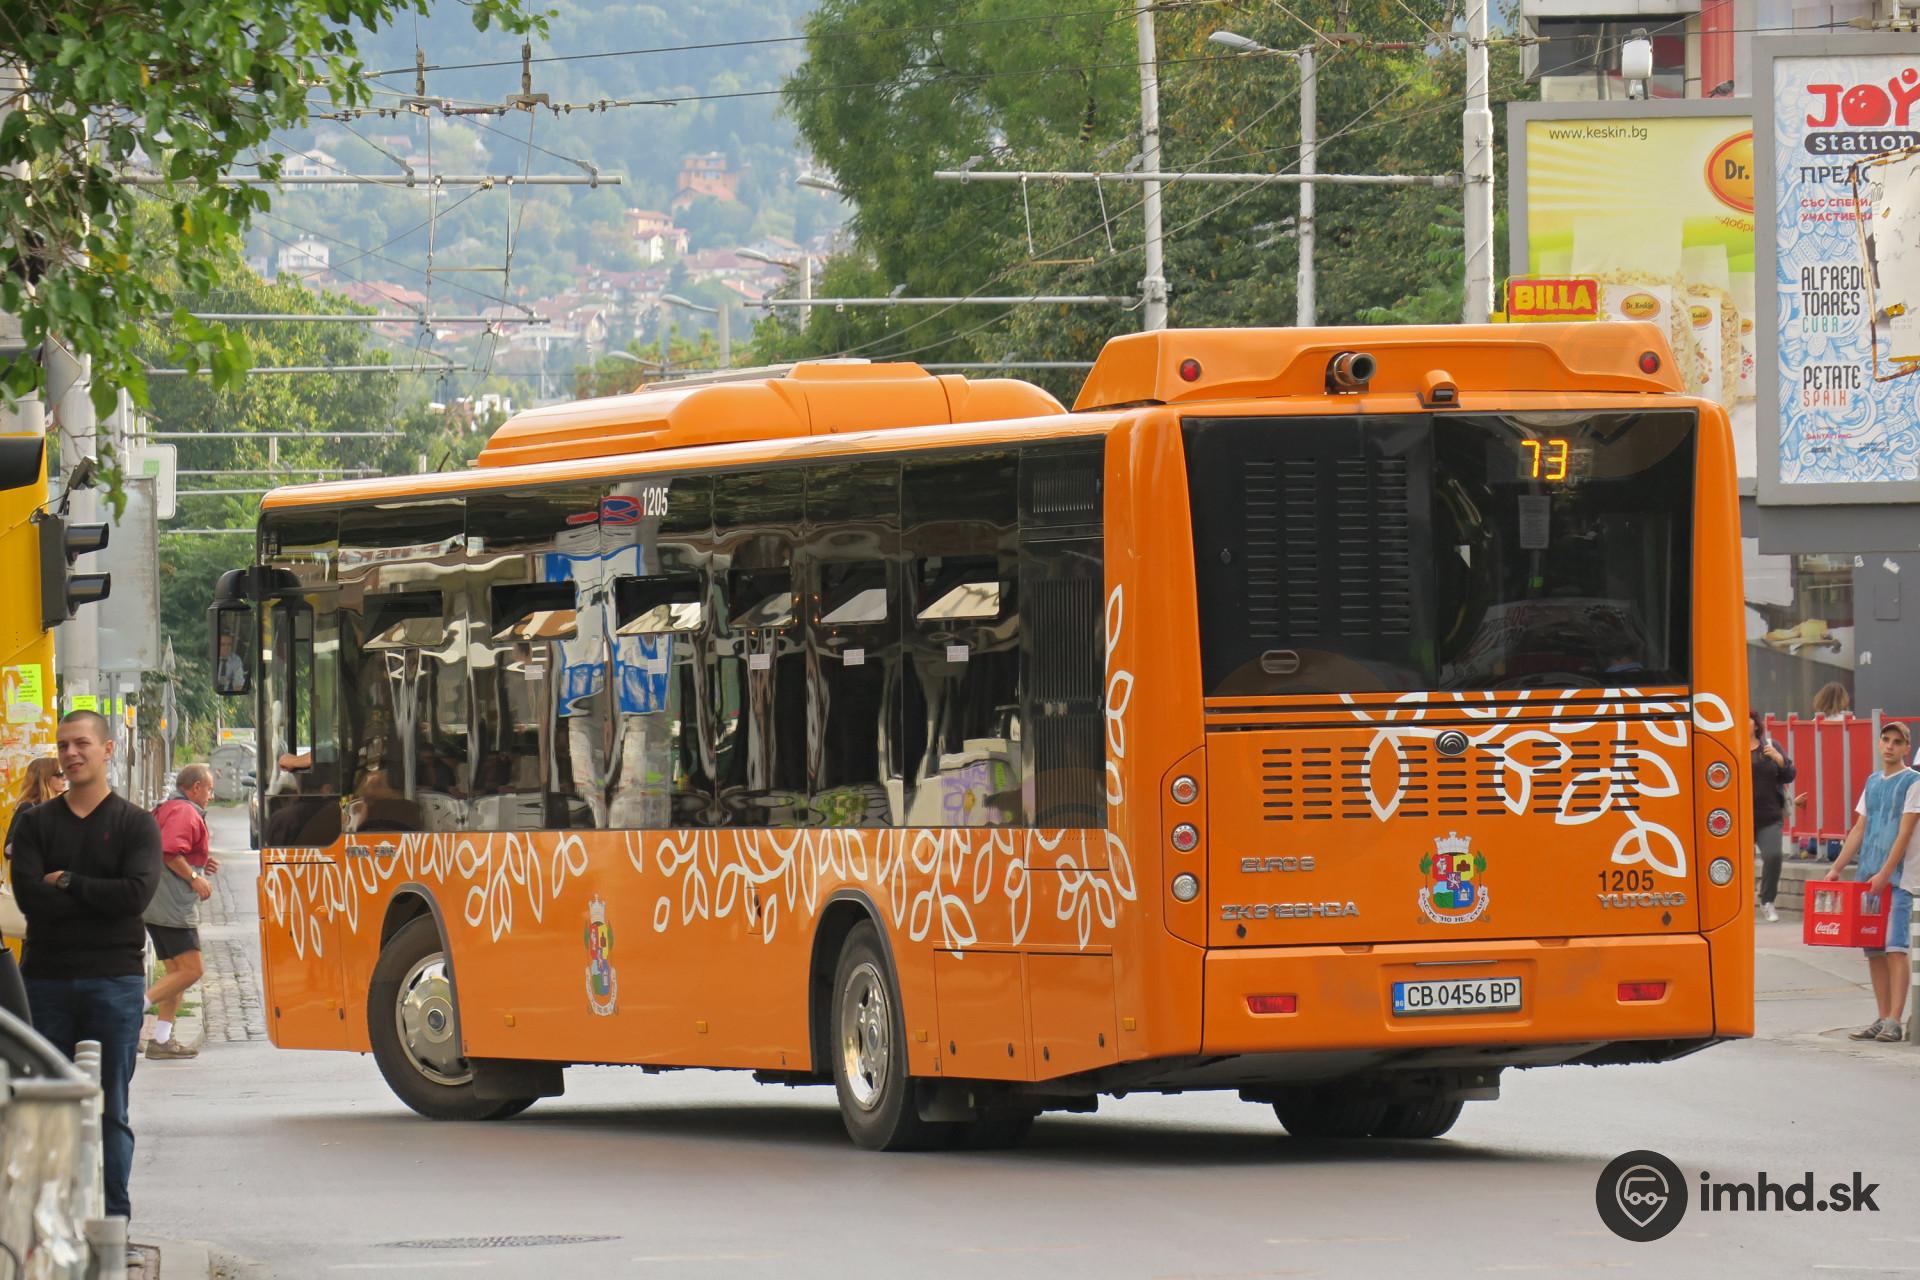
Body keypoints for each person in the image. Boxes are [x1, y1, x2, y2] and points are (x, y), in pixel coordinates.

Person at [8, 710, 161, 1221]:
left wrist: (70, 882)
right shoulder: (35, 824)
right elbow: (30, 899)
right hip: (45, 980)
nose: (70, 754)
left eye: (81, 744)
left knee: (111, 1106)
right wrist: (101, 899)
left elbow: (135, 896)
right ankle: (54, 1223)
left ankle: (112, 1225)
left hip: (115, 982)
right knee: (47, 1108)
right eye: (63, 746)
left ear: (107, 749)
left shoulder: (135, 824)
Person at [1824, 720, 1920, 1043]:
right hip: (1869, 877)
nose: (1890, 745)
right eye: (1886, 739)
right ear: (1879, 743)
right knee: (1874, 949)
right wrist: (1837, 868)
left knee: (1895, 947)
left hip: (1899, 879)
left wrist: (1885, 873)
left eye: (1897, 741)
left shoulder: (1913, 782)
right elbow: (1859, 829)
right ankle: (1881, 1016)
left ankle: (1895, 1019)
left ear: (1907, 748)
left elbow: (1905, 832)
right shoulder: (1872, 781)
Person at [142, 763, 220, 1060]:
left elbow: (177, 850)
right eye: (209, 789)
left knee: (177, 974)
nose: (211, 795)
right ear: (196, 787)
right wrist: (194, 877)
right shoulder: (185, 811)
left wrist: (201, 863)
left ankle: (161, 1039)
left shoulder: (170, 807)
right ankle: (131, 1007)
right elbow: (170, 851)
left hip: (159, 902)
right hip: (172, 904)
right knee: (191, 970)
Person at [1, 757, 67, 1024]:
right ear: (45, 778)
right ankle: (21, 1013)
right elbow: (10, 847)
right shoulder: (29, 808)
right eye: (59, 774)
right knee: (35, 952)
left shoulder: (56, 808)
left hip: (53, 894)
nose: (64, 778)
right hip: (36, 893)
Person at [1750, 713, 1796, 924]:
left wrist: (1779, 760)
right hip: (1739, 818)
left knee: (1774, 856)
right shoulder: (1729, 746)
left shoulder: (1769, 745)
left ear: (1756, 725)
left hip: (1769, 815)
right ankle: (1738, 903)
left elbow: (1789, 775)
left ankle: (1767, 900)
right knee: (1740, 864)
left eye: (1747, 719)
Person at [1807, 682, 1853, 861]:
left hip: (1821, 772)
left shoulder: (1815, 721)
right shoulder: (1849, 719)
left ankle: (1816, 841)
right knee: (1843, 808)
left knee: (1822, 806)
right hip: (1843, 771)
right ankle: (1838, 844)